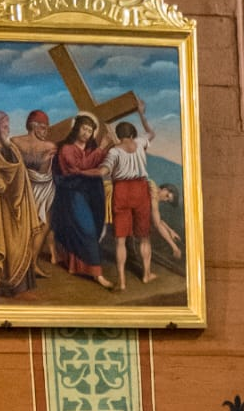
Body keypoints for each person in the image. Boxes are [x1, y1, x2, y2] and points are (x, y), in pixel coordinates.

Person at [0, 110, 41, 298]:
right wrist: (7, 184)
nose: (8, 129)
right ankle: (6, 286)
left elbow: (20, 172)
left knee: (20, 243)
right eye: (5, 126)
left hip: (19, 206)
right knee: (4, 243)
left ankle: (22, 285)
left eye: (8, 126)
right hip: (0, 206)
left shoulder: (11, 148)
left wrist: (15, 184)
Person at [50, 114, 113, 287]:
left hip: (91, 194)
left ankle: (75, 265)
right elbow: (80, 167)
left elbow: (97, 164)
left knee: (90, 228)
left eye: (90, 130)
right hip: (72, 193)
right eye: (84, 128)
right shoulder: (67, 149)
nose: (86, 133)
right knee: (87, 230)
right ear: (76, 128)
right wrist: (101, 148)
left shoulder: (91, 149)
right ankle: (97, 274)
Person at [103, 117, 158, 290]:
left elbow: (105, 170)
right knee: (144, 236)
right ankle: (147, 274)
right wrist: (142, 115)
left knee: (120, 240)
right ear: (133, 133)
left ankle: (122, 281)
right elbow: (151, 133)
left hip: (121, 191)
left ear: (118, 136)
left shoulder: (114, 151)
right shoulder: (140, 142)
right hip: (140, 189)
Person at [13, 110, 58, 272]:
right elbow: (43, 169)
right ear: (33, 126)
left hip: (28, 184)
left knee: (35, 223)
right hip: (36, 185)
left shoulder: (14, 142)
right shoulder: (49, 146)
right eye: (44, 128)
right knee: (43, 223)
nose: (47, 131)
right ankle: (30, 263)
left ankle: (29, 263)